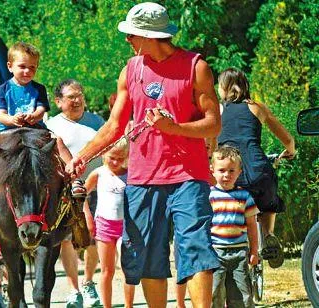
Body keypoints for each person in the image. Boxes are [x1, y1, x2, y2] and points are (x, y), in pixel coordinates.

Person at [68, 2, 222, 307]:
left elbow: (214, 122)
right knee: (148, 255)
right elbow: (114, 124)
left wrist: (173, 127)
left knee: (195, 249)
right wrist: (82, 157)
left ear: (151, 36)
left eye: (132, 34)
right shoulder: (130, 70)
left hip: (188, 177)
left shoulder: (196, 66)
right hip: (142, 178)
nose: (127, 39)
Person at [0, 41, 84, 215]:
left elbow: (41, 109)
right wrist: (11, 119)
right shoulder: (3, 89)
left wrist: (34, 116)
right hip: (8, 131)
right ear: (10, 67)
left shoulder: (38, 89)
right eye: (22, 67)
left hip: (35, 130)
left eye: (32, 68)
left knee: (59, 142)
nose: (27, 72)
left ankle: (74, 180)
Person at [216, 67, 296, 269]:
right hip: (260, 169)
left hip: (234, 173)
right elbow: (288, 139)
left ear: (224, 87)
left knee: (224, 202)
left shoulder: (218, 110)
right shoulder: (257, 107)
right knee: (269, 203)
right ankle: (269, 234)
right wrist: (290, 151)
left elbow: (209, 142)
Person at [46, 79, 103, 307]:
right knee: (67, 240)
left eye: (80, 95)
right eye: (71, 97)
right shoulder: (52, 126)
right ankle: (73, 289)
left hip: (98, 188)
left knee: (94, 237)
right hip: (67, 191)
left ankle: (89, 283)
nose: (78, 100)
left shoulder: (97, 121)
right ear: (59, 102)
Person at [84, 138, 135, 308]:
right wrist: (87, 216)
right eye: (112, 157)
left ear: (127, 156)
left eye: (120, 158)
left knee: (127, 268)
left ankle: (129, 305)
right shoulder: (99, 173)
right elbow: (81, 195)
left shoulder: (131, 173)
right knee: (107, 270)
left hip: (126, 227)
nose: (115, 162)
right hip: (104, 226)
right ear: (104, 154)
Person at [208, 145, 259, 307]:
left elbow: (252, 225)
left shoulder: (245, 196)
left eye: (231, 170)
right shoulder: (208, 196)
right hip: (215, 252)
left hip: (239, 253)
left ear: (239, 172)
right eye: (222, 170)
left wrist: (254, 251)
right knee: (215, 293)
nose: (226, 175)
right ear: (212, 170)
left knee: (242, 295)